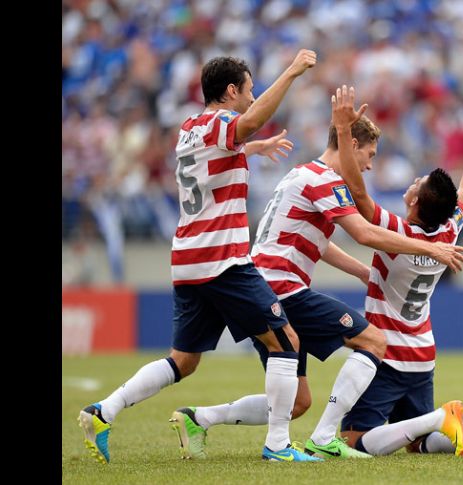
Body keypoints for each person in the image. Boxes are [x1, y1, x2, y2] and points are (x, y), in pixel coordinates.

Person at [169, 83, 463, 461]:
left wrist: (362, 272)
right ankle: (324, 437)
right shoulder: (324, 179)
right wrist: (431, 247)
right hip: (282, 287)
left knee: (297, 401)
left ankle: (201, 418)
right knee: (373, 341)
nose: (370, 165)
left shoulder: (306, 175)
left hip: (263, 283)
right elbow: (364, 232)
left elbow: (318, 243)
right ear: (352, 146)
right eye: (369, 154)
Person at [77, 51, 325, 464]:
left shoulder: (189, 129)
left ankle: (104, 411)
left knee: (184, 361)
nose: (252, 96)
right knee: (287, 342)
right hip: (222, 260)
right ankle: (279, 445)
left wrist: (253, 147)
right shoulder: (223, 123)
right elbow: (247, 121)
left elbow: (218, 157)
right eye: (248, 89)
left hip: (188, 260)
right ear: (231, 91)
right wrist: (292, 72)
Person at [334, 85, 463, 457]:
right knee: (418, 445)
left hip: (388, 355)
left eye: (417, 183)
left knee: (352, 442)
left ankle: (442, 418)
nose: (413, 181)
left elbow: (358, 193)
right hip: (423, 353)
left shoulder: (397, 232)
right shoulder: (447, 232)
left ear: (415, 201)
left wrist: (343, 131)